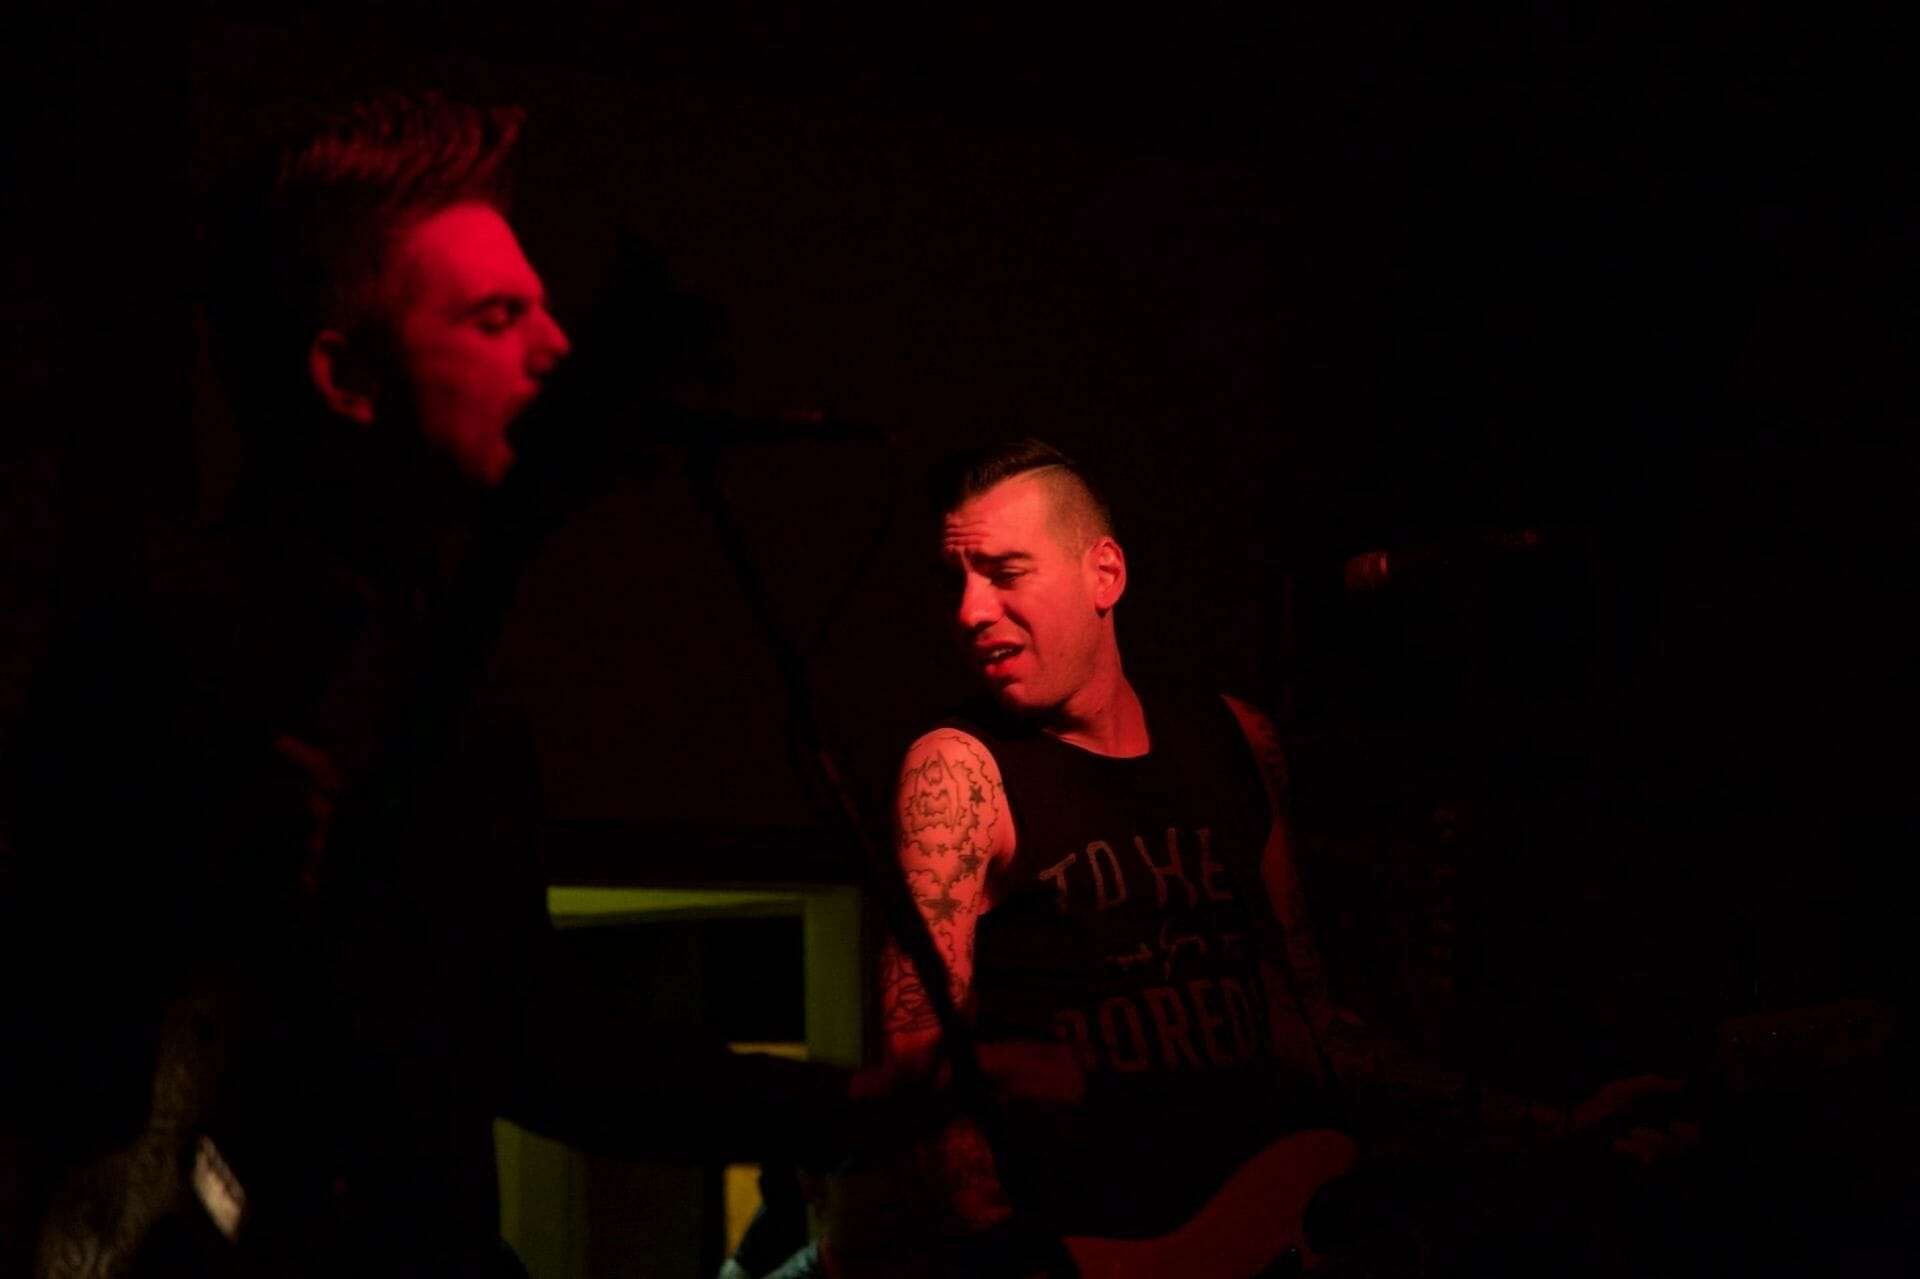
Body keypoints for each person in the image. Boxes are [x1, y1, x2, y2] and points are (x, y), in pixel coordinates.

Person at [0, 91, 909, 1278]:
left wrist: (844, 1105)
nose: (556, 348)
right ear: (347, 377)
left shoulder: (452, 664)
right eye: (494, 316)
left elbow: (520, 1026)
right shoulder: (160, 643)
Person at [866, 439, 1698, 1276]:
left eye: (1005, 572)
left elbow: (1308, 1026)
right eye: (955, 582)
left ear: (1105, 574)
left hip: (1270, 1231)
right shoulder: (959, 770)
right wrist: (1004, 1249)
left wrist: (1551, 1124)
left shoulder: (1236, 740)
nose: (971, 610)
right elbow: (924, 1057)